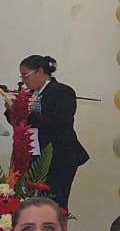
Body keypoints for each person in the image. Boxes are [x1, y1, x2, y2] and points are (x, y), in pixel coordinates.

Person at [10, 57, 91, 211]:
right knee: (32, 202)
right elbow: (20, 122)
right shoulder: (29, 94)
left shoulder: (62, 91)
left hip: (59, 156)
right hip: (33, 154)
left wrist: (27, 113)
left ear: (41, 72)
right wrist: (13, 109)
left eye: (25, 76)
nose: (23, 81)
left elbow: (59, 122)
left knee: (56, 202)